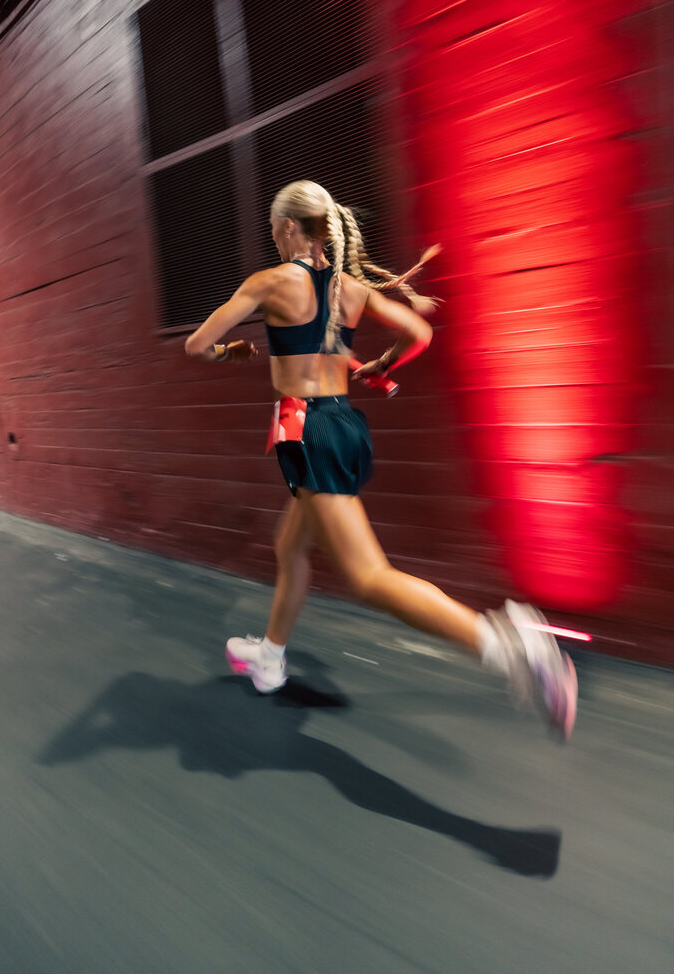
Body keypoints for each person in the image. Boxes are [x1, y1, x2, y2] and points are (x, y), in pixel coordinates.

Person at [184, 180, 577, 738]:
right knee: (289, 544)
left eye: (274, 230)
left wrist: (233, 352)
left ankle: (509, 646)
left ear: (289, 229)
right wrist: (380, 364)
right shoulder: (350, 288)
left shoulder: (269, 282)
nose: (274, 240)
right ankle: (269, 656)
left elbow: (196, 345)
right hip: (339, 423)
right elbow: (419, 331)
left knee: (369, 577)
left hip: (309, 433)